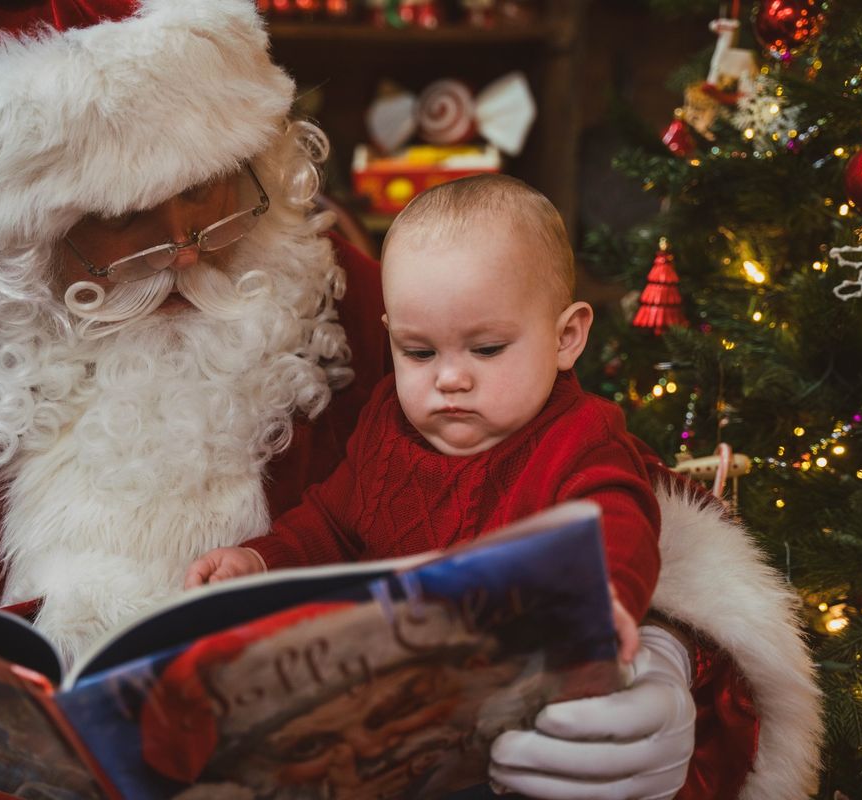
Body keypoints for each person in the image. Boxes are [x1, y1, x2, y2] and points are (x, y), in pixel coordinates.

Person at [0, 0, 821, 798]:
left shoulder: (355, 303)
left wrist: (671, 672)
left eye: (225, 185)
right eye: (134, 226)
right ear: (7, 237)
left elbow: (601, 490)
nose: (199, 247)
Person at [187, 175, 656, 666]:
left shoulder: (578, 439)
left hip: (513, 672)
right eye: (419, 352)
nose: (450, 378)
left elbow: (620, 525)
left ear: (566, 338)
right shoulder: (388, 424)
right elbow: (330, 524)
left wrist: (602, 598)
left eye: (487, 349)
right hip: (392, 674)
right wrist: (260, 561)